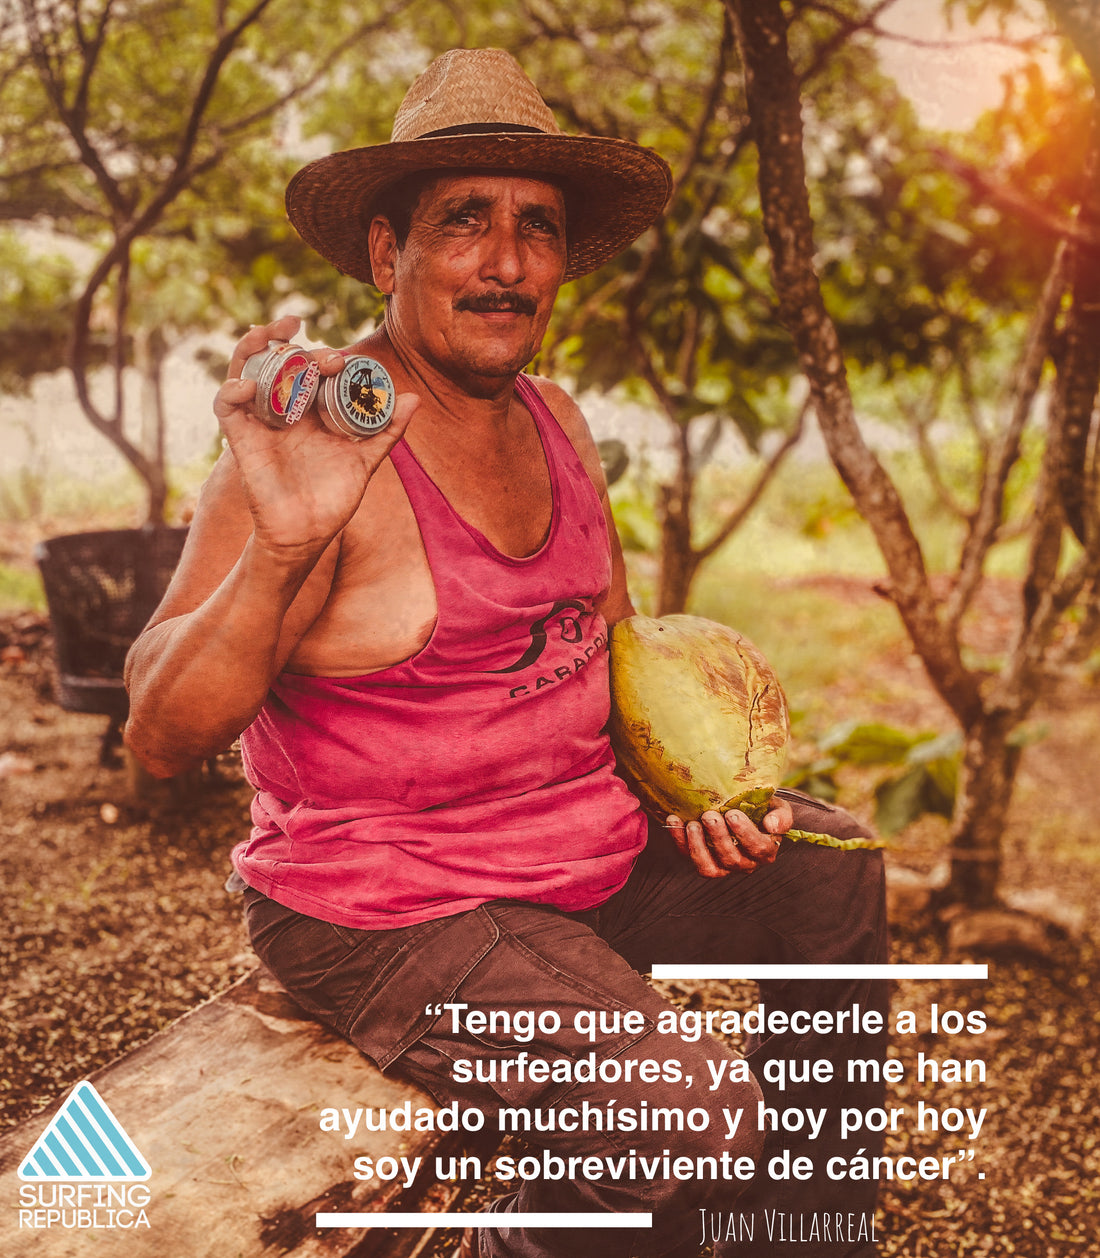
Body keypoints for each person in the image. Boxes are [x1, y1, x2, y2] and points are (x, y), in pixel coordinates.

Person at [124, 48, 888, 1258]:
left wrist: (681, 789)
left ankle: (809, 1229)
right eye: (464, 221)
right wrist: (280, 549)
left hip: (571, 851)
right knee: (679, 1109)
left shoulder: (558, 418)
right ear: (388, 255)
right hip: (392, 904)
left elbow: (611, 651)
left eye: (535, 227)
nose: (506, 259)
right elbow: (160, 736)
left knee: (830, 866)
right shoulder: (324, 443)